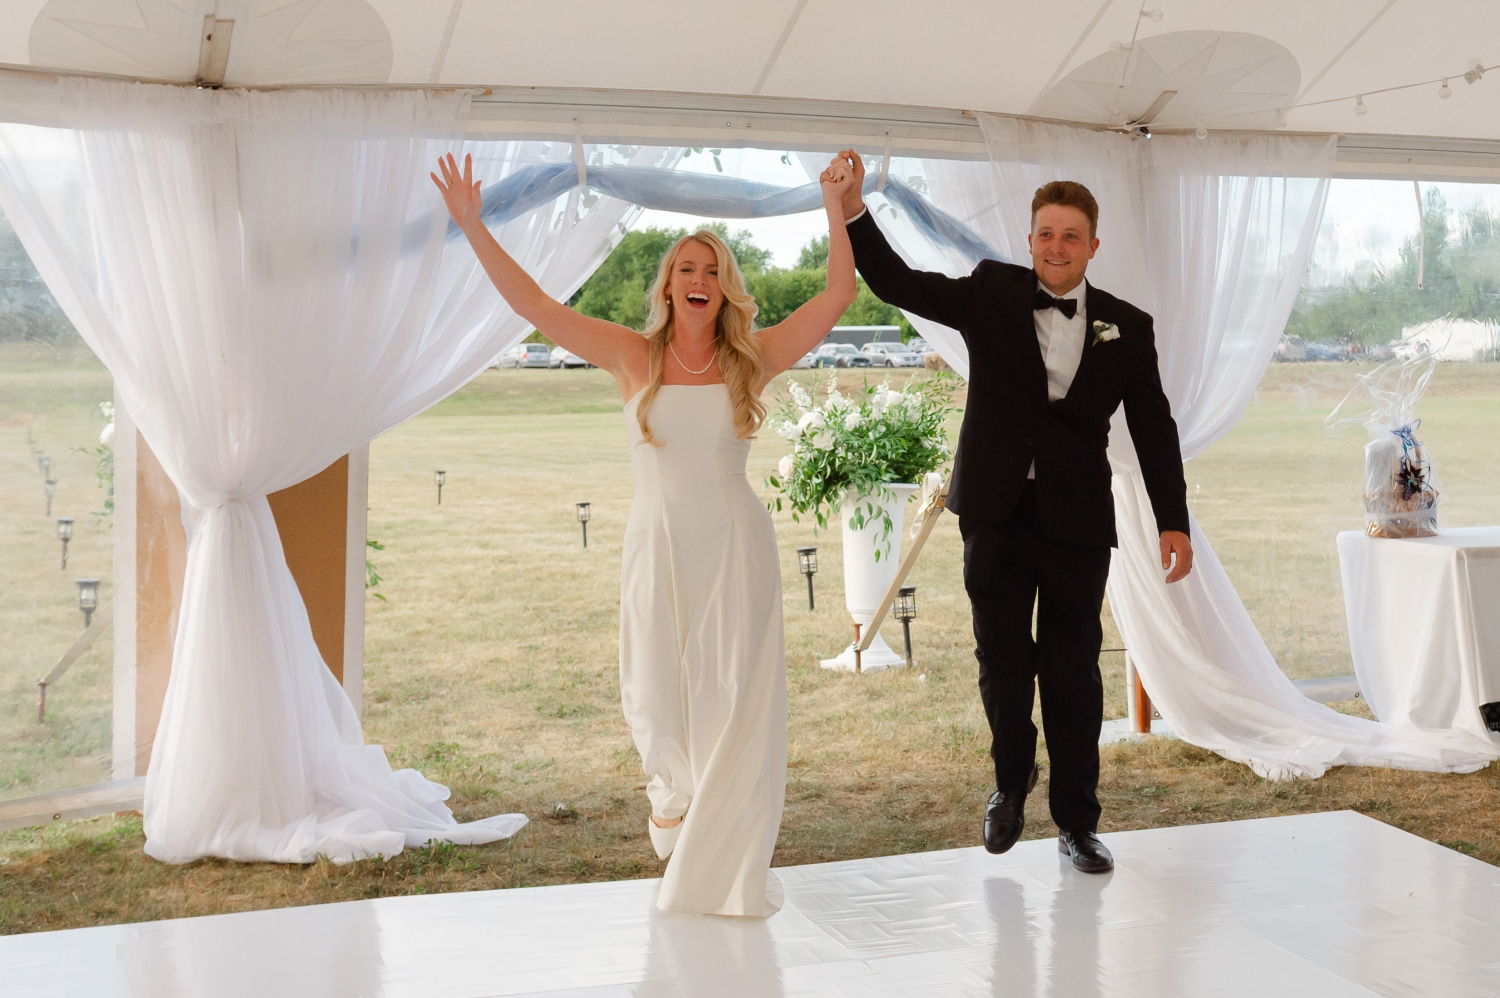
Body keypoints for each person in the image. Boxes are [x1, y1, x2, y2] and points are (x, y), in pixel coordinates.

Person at [432, 152, 858, 915]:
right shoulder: (635, 358)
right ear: (667, 284)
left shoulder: (748, 361)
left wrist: (834, 206)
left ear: (724, 288)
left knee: (733, 705)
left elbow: (834, 296)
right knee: (655, 697)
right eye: (686, 266)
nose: (699, 277)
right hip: (657, 547)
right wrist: (472, 223)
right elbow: (533, 304)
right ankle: (670, 797)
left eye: (713, 268)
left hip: (735, 551)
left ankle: (725, 860)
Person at [830, 151, 1192, 874]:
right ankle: (1008, 782)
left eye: (1071, 235)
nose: (1056, 246)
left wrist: (1172, 519)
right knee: (1002, 662)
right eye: (1045, 233)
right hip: (994, 512)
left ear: (1094, 245)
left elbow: (1153, 425)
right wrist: (851, 212)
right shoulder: (992, 292)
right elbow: (900, 283)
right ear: (1029, 241)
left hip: (1077, 521)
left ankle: (1078, 823)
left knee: (1072, 669)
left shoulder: (1128, 325)